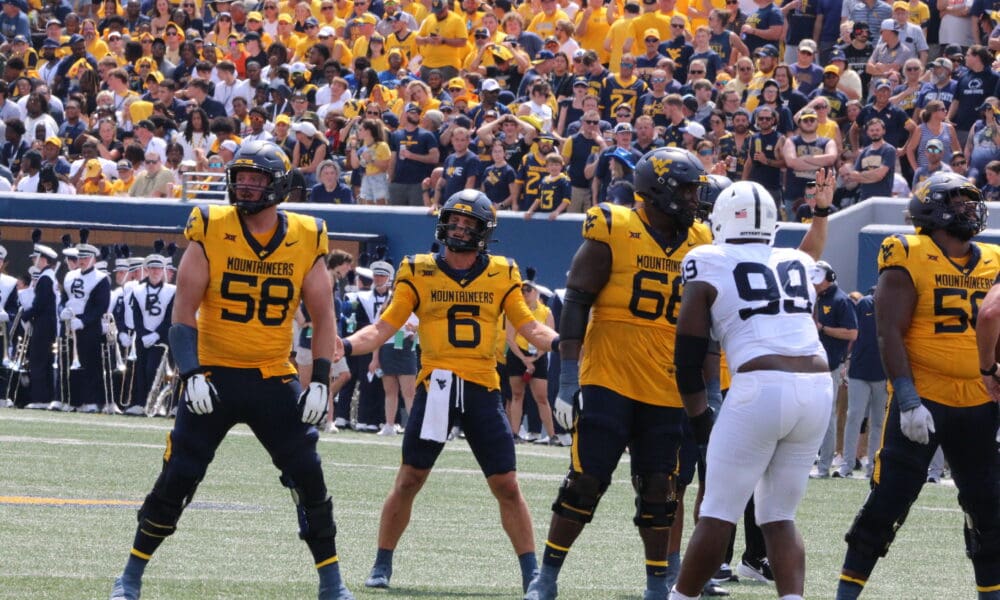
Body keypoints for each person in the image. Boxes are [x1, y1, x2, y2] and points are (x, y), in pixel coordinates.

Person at [109, 141, 354, 600]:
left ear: (278, 185)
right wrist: (191, 372)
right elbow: (182, 316)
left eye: (256, 178)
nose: (244, 184)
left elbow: (324, 319)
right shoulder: (210, 225)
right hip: (214, 376)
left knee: (309, 475)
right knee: (178, 474)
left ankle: (332, 582)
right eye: (240, 176)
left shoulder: (307, 234)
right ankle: (131, 574)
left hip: (272, 377)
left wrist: (321, 379)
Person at [342, 189, 560, 594]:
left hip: (481, 387)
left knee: (507, 484)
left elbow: (530, 327)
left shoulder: (502, 272)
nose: (459, 229)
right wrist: (348, 345)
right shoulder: (417, 269)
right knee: (409, 478)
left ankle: (532, 572)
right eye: (454, 221)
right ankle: (381, 562)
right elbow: (383, 328)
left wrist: (562, 342)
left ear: (484, 232)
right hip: (436, 387)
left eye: (468, 224)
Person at [524, 147, 714, 600]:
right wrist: (568, 378)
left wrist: (710, 392)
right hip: (608, 376)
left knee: (660, 491)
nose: (693, 198)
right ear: (658, 190)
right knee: (586, 480)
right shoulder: (614, 225)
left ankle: (655, 586)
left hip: (665, 384)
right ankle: (546, 576)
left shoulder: (701, 239)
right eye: (686, 189)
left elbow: (708, 324)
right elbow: (576, 299)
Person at [666, 179, 834, 600]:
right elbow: (807, 255)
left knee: (717, 512)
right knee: (779, 515)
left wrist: (699, 415)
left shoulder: (706, 258)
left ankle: (679, 596)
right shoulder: (794, 260)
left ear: (721, 219)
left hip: (761, 384)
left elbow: (687, 353)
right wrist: (821, 213)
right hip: (817, 387)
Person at [835, 172, 1000, 600]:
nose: (970, 208)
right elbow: (889, 331)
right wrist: (907, 398)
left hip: (981, 402)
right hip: (924, 397)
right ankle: (846, 594)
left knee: (990, 510)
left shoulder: (994, 259)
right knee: (887, 502)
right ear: (933, 207)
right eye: (959, 201)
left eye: (971, 201)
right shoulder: (907, 251)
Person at [810, 260, 859, 480]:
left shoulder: (841, 300)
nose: (815, 284)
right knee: (812, 416)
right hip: (812, 365)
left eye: (819, 279)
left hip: (830, 365)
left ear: (829, 278)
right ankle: (814, 460)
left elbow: (852, 333)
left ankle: (824, 466)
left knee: (827, 416)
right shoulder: (816, 299)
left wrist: (823, 329)